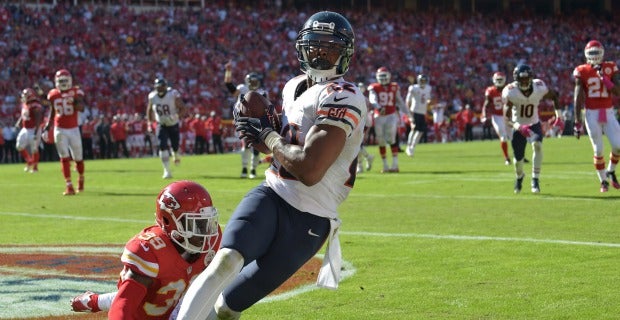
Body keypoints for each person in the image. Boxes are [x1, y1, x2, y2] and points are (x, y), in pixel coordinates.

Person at [176, 11, 366, 320]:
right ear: (302, 48)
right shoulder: (292, 87)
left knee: (227, 307)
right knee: (224, 261)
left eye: (329, 48)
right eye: (314, 46)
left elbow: (310, 170)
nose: (320, 54)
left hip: (312, 217)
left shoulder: (345, 96)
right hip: (272, 194)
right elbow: (282, 148)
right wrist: (265, 136)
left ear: (344, 54)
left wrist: (268, 136)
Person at [70, 180, 222, 319]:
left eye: (205, 223)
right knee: (143, 295)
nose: (204, 233)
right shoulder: (152, 250)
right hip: (149, 312)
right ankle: (94, 302)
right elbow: (125, 303)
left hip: (176, 301)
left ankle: (94, 301)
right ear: (169, 221)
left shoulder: (212, 241)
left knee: (216, 309)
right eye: (195, 224)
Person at [503, 64, 560, 194]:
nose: (524, 81)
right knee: (518, 160)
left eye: (526, 78)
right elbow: (506, 118)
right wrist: (518, 126)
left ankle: (535, 179)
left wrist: (559, 116)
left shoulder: (539, 87)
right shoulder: (511, 92)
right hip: (518, 126)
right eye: (521, 79)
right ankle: (519, 176)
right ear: (516, 79)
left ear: (531, 78)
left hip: (534, 124)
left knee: (537, 145)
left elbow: (555, 96)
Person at [573, 40, 620, 192]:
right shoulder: (582, 70)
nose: (594, 56)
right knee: (598, 149)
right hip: (592, 113)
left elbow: (618, 91)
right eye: (591, 53)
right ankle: (603, 181)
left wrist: (606, 80)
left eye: (596, 52)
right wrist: (577, 121)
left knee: (618, 146)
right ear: (586, 54)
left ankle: (611, 170)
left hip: (608, 111)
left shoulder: (610, 67)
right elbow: (578, 97)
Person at [43, 69, 86, 195]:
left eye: (64, 81)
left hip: (73, 128)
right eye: (60, 81)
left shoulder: (76, 92)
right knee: (63, 157)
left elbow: (82, 108)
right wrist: (48, 125)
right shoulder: (53, 94)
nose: (62, 83)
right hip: (59, 128)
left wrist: (74, 100)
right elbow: (52, 110)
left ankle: (81, 178)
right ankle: (69, 185)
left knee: (78, 158)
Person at [224, 61, 266, 178]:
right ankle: (244, 168)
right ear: (247, 82)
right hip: (243, 120)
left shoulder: (262, 92)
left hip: (257, 122)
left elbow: (265, 109)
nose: (253, 83)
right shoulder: (242, 88)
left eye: (255, 81)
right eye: (251, 81)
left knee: (257, 148)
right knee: (246, 146)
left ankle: (252, 170)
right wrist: (228, 71)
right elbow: (229, 86)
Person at [368, 66, 409, 172]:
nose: (382, 78)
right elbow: (372, 99)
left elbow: (400, 101)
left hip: (391, 115)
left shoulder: (394, 86)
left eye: (384, 76)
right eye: (380, 76)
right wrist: (378, 107)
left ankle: (395, 165)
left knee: (391, 139)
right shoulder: (374, 87)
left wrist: (409, 114)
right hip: (379, 116)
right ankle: (385, 165)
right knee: (381, 141)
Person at [147, 77, 186, 179]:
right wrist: (149, 123)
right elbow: (149, 109)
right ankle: (167, 170)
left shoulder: (172, 94)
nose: (159, 89)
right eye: (158, 87)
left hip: (173, 123)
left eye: (161, 87)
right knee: (162, 145)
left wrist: (175, 116)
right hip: (161, 123)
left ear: (165, 87)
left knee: (175, 145)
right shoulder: (152, 96)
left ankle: (175, 154)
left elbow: (183, 108)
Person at [483, 71, 512, 164]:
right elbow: (486, 103)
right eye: (497, 79)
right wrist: (484, 113)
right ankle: (507, 158)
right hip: (497, 116)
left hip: (508, 115)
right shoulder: (490, 90)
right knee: (503, 137)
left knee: (514, 137)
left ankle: (520, 156)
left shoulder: (509, 89)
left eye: (501, 79)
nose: (499, 81)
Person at [14, 88, 43, 172]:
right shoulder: (25, 104)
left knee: (34, 148)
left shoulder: (35, 104)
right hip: (25, 128)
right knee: (19, 145)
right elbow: (24, 115)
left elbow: (38, 118)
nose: (23, 96)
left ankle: (35, 167)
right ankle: (29, 161)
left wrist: (36, 130)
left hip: (34, 128)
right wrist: (19, 122)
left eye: (25, 95)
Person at [405, 74, 432, 157]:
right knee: (414, 129)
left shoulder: (428, 88)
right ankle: (409, 146)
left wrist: (429, 103)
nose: (423, 82)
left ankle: (413, 146)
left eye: (424, 81)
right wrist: (409, 113)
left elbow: (428, 99)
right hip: (415, 111)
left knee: (420, 131)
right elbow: (407, 101)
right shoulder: (413, 88)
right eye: (421, 81)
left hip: (422, 112)